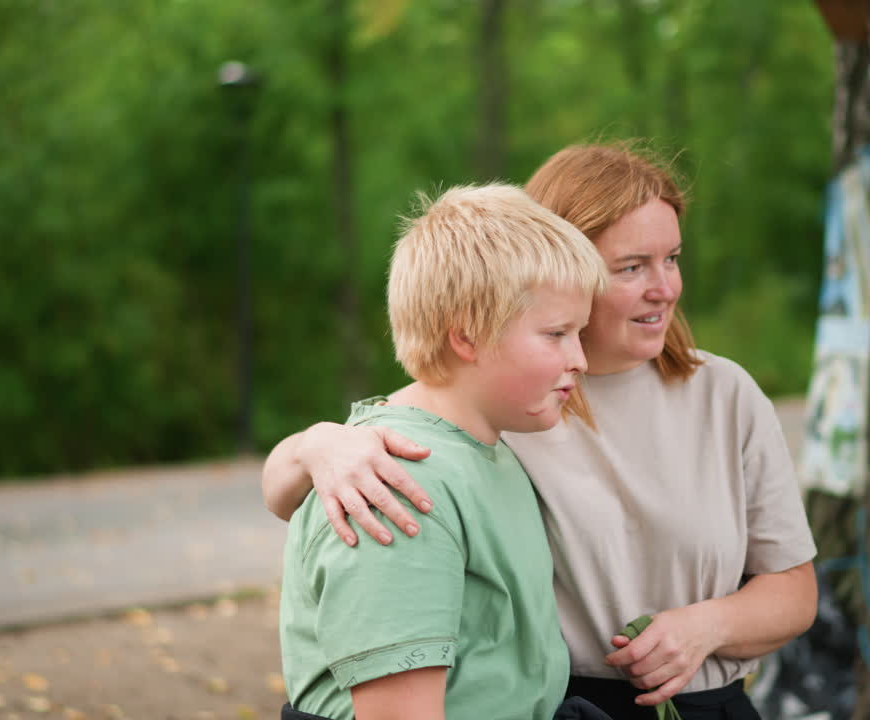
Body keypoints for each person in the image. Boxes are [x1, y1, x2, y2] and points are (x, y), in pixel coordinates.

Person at [265, 143, 819, 720]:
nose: (665, 288)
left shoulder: (718, 393)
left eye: (673, 258)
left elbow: (795, 586)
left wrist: (708, 626)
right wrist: (317, 445)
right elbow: (391, 445)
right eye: (632, 267)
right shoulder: (494, 408)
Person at [277, 184, 611, 720]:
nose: (580, 359)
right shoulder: (396, 480)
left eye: (579, 333)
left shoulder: (487, 451)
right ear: (468, 337)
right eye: (556, 334)